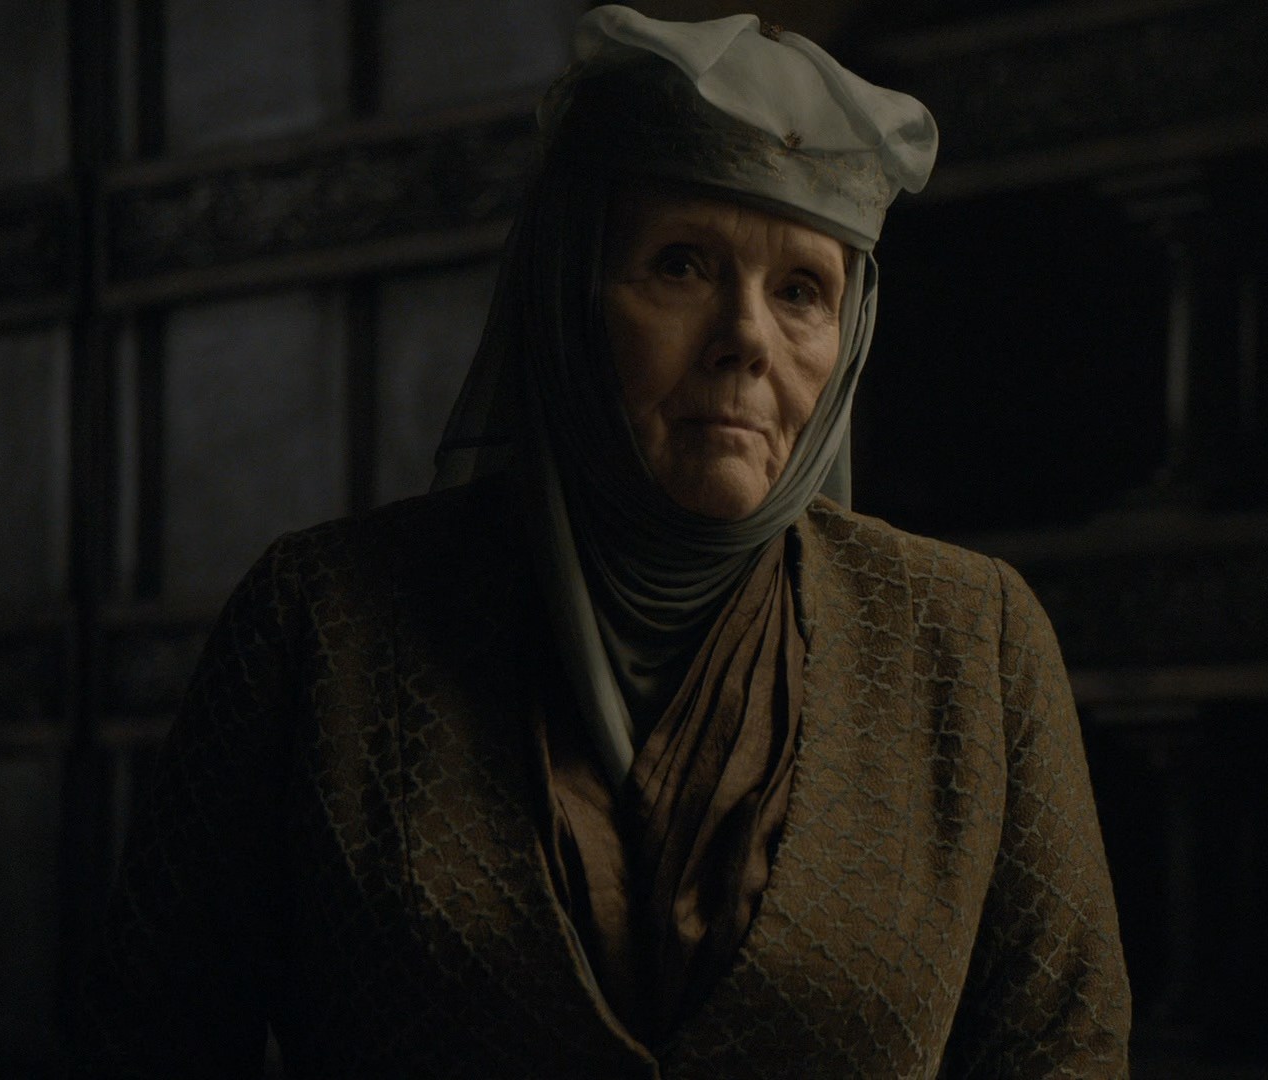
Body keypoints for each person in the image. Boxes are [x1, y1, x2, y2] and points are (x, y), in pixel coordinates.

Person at [72, 7, 1131, 1077]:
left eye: (801, 291)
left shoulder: (970, 644)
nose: (746, 340)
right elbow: (149, 1038)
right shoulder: (321, 624)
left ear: (848, 338)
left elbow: (1064, 1053)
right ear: (568, 291)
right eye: (681, 265)